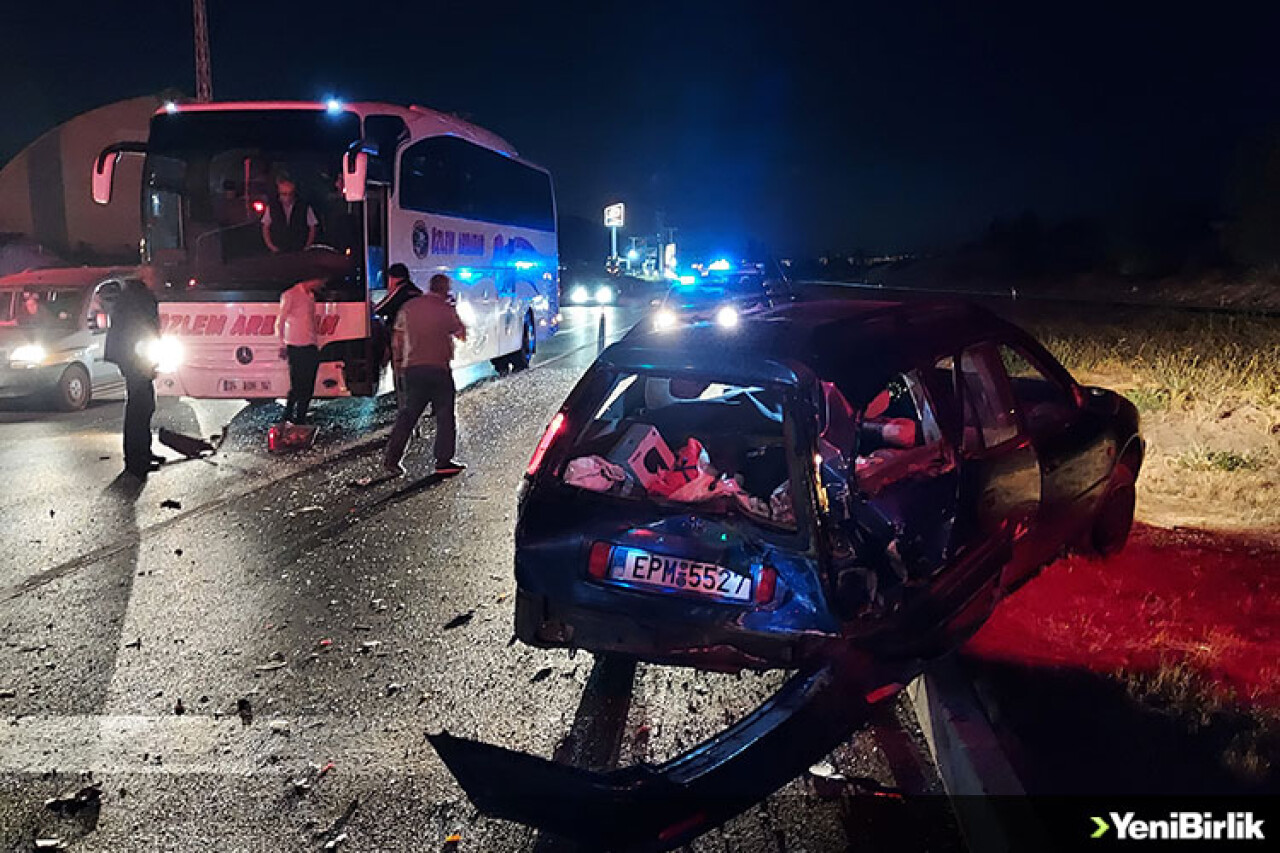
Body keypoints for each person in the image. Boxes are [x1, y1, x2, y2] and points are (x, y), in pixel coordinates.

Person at [382, 273, 467, 477]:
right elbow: (461, 335)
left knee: (408, 415)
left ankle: (392, 460)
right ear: (445, 289)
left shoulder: (409, 307)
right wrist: (453, 310)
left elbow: (398, 338)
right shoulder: (445, 309)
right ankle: (443, 461)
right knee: (445, 416)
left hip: (413, 369)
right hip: (439, 369)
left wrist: (400, 364)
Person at [104, 280, 162, 477]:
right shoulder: (139, 300)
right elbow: (142, 332)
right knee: (140, 408)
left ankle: (143, 453)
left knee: (143, 406)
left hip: (133, 360)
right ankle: (137, 460)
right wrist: (146, 364)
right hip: (136, 361)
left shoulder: (132, 298)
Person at [372, 263, 423, 408]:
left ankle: (404, 408)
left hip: (402, 338)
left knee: (401, 373)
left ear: (393, 278)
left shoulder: (400, 291)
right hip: (418, 338)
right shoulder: (417, 291)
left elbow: (380, 309)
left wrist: (370, 307)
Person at [278, 278, 324, 424]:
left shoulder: (310, 296)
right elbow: (280, 321)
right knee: (297, 384)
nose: (321, 285)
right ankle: (288, 413)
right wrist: (281, 344)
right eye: (320, 281)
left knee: (308, 383)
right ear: (312, 279)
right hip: (295, 345)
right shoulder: (290, 295)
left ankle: (301, 416)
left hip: (311, 345)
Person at [262, 176, 317, 253]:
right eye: (284, 194)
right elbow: (265, 228)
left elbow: (312, 227)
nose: (288, 197)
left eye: (290, 194)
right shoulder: (272, 207)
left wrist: (306, 246)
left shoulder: (304, 206)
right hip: (278, 250)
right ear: (279, 193)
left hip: (299, 250)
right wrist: (272, 247)